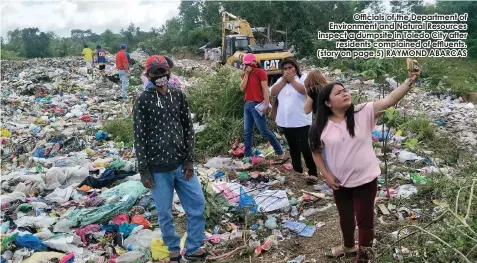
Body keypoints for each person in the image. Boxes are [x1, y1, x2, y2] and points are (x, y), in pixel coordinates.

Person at [308, 61, 420, 262]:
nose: (344, 93)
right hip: (340, 182)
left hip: (366, 180)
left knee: (365, 222)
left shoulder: (362, 112)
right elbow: (316, 152)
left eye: (344, 90)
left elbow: (389, 101)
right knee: (345, 219)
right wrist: (326, 175)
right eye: (338, 93)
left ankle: (363, 258)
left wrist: (409, 82)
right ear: (327, 103)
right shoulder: (320, 126)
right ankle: (349, 247)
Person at [133, 55, 214, 263]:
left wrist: (189, 160)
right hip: (158, 169)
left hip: (181, 165)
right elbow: (139, 137)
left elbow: (188, 129)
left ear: (169, 73)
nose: (160, 76)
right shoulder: (143, 100)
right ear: (148, 75)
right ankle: (173, 250)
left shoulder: (178, 95)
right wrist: (144, 170)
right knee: (164, 213)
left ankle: (194, 246)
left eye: (163, 72)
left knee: (197, 205)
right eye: (156, 73)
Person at [270, 57, 318, 183]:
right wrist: (284, 80)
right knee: (293, 147)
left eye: (290, 67)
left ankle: (313, 172)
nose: (288, 70)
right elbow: (273, 92)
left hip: (301, 120)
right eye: (285, 69)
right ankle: (298, 171)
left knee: (304, 146)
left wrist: (292, 81)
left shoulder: (303, 78)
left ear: (296, 68)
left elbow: (305, 91)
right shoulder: (281, 80)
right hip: (286, 121)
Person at [240, 53, 287, 162]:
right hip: (247, 104)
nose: (246, 66)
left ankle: (280, 152)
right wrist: (246, 74)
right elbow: (242, 88)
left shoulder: (260, 73)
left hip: (257, 105)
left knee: (264, 130)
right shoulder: (245, 74)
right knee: (247, 131)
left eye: (247, 64)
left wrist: (267, 104)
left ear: (253, 62)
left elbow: (265, 89)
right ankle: (247, 156)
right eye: (245, 64)